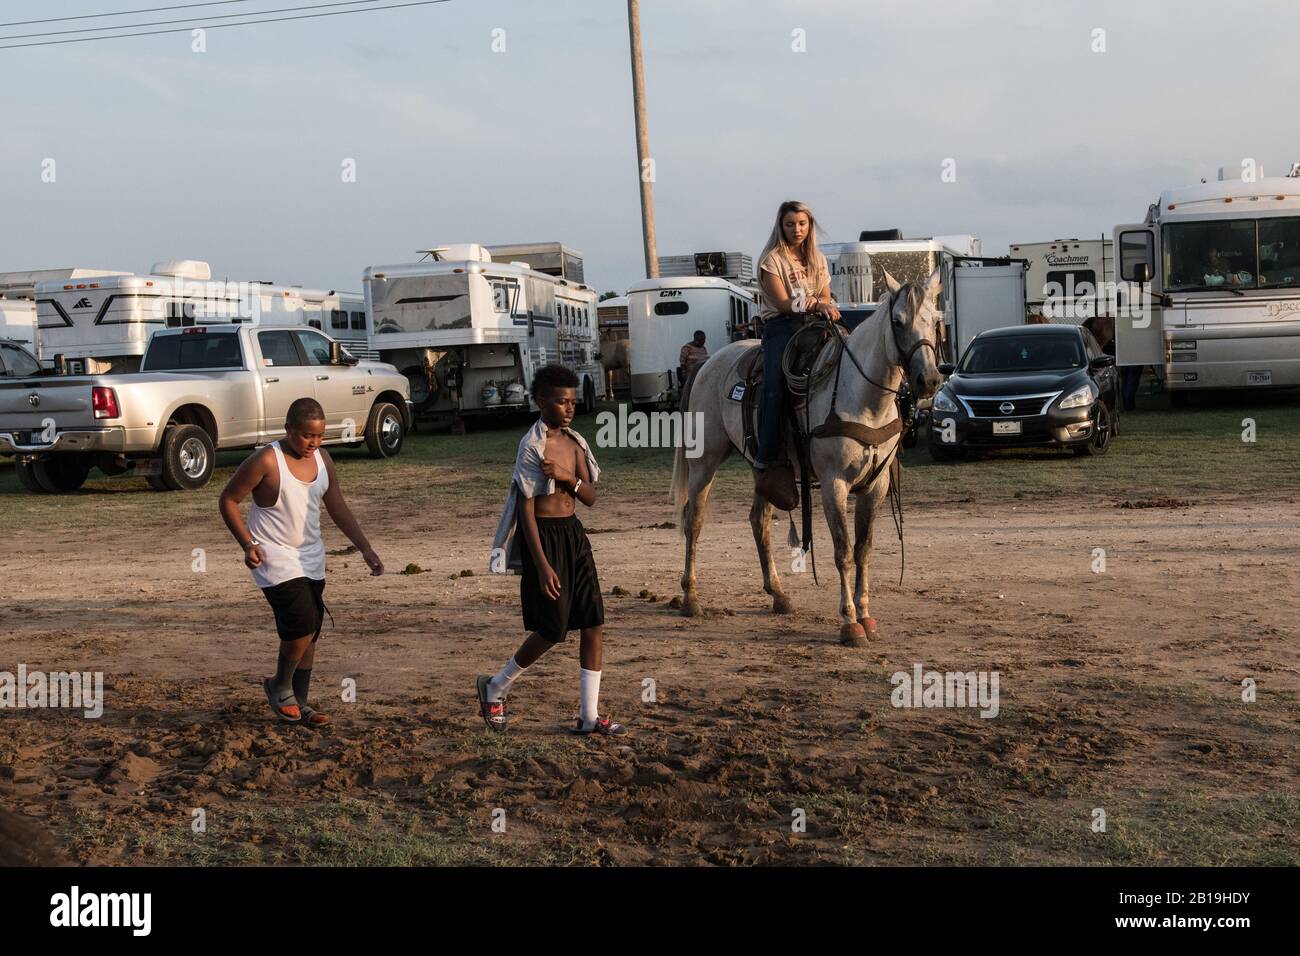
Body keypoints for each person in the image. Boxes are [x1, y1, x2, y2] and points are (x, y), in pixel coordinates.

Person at [218, 397, 384, 726]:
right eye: (307, 435)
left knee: (313, 631)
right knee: (302, 623)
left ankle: (300, 703)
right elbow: (228, 499)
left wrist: (365, 548)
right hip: (273, 556)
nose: (314, 443)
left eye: (319, 436)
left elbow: (337, 505)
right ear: (289, 429)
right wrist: (247, 543)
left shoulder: (323, 459)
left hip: (311, 556)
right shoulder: (267, 459)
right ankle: (279, 685)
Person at [481, 365, 626, 736]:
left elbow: (590, 497)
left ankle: (588, 716)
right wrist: (542, 565)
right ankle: (495, 686)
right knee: (553, 629)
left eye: (573, 402)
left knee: (593, 623)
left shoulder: (575, 444)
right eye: (561, 402)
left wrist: (567, 478)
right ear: (541, 401)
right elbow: (526, 508)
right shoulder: (533, 446)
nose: (569, 408)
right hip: (543, 539)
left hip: (574, 536)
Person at [753, 199, 840, 507]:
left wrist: (822, 305)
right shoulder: (771, 260)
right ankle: (767, 461)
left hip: (815, 325)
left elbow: (826, 294)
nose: (797, 229)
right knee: (774, 387)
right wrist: (816, 303)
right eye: (790, 224)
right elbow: (781, 303)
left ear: (809, 225)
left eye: (802, 224)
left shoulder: (817, 258)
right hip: (782, 327)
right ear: (781, 226)